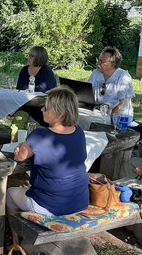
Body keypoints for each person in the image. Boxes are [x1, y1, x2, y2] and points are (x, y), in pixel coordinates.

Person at [6, 86, 89, 242]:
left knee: (10, 193)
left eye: (47, 108)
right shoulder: (79, 132)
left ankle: (16, 241)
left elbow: (19, 157)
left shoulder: (41, 135)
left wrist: (21, 149)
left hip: (50, 206)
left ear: (60, 114)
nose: (42, 109)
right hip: (80, 201)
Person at [88, 46, 135, 117]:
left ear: (113, 64)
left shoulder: (123, 77)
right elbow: (87, 93)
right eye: (98, 60)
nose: (98, 63)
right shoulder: (96, 73)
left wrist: (107, 119)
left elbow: (121, 105)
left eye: (101, 61)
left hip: (119, 117)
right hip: (97, 113)